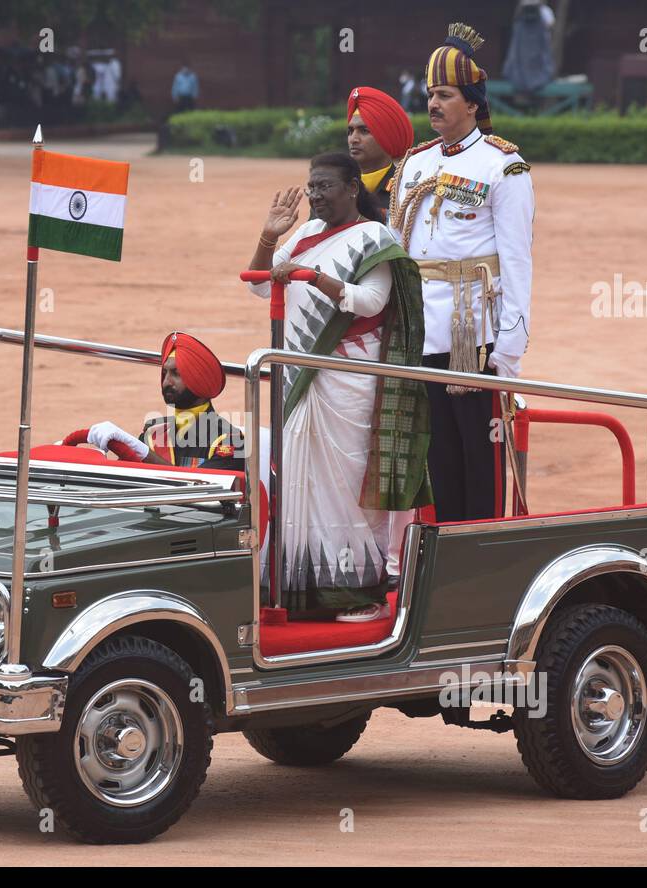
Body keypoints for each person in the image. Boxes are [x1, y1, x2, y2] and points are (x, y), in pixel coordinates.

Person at [246, 152, 432, 622]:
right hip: (301, 376)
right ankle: (303, 589)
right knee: (299, 480)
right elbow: (259, 284)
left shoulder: (376, 237)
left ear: (353, 188)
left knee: (350, 483)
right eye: (311, 188)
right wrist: (270, 236)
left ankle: (363, 593)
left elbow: (371, 302)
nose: (315, 196)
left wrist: (317, 277)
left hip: (349, 377)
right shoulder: (306, 234)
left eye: (325, 186)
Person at [389, 21, 535, 525]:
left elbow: (517, 259)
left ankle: (485, 551)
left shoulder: (502, 166)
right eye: (430, 93)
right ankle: (450, 555)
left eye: (445, 94)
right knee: (440, 458)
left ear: (472, 104)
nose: (433, 103)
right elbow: (399, 247)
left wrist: (510, 344)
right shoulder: (414, 163)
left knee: (483, 456)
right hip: (422, 330)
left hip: (474, 331)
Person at [86, 332, 246, 471]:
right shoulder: (153, 433)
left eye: (176, 373)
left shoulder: (231, 440)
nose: (166, 382)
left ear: (200, 379)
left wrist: (143, 453)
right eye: (165, 372)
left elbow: (195, 490)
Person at [346, 86, 413, 223]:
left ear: (387, 137)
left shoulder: (407, 192)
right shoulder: (335, 188)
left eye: (364, 131)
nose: (353, 139)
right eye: (350, 131)